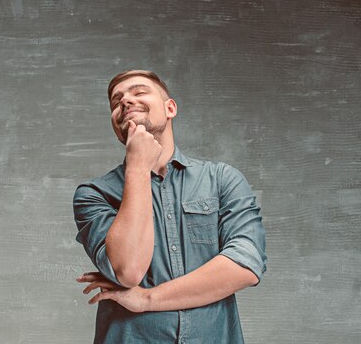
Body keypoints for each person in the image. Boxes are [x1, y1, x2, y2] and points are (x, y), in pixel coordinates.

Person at [73, 70, 267, 344]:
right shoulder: (93, 194)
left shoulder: (223, 180)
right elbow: (128, 271)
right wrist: (139, 167)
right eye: (116, 101)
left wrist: (147, 299)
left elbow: (244, 266)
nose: (125, 101)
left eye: (139, 92)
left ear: (170, 108)